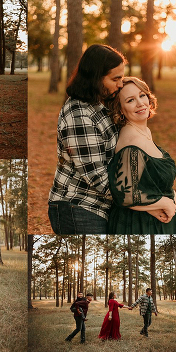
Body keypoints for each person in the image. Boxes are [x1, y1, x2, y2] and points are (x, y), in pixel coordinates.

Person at [48, 44, 125, 234]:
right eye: (116, 79)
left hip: (99, 207)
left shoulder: (97, 103)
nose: (120, 84)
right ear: (96, 78)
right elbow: (98, 178)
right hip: (79, 207)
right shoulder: (79, 115)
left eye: (122, 77)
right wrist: (146, 202)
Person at [104, 77, 176, 234]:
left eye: (142, 95)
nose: (140, 103)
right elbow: (124, 194)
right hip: (138, 225)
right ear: (120, 109)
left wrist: (169, 199)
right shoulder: (132, 141)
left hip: (157, 220)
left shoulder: (144, 131)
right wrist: (163, 202)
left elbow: (145, 179)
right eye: (130, 100)